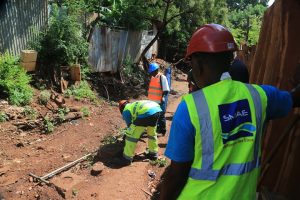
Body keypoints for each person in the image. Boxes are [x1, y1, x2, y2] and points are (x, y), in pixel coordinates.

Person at [160, 24, 300, 199]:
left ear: (198, 64)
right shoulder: (261, 96)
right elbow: (294, 98)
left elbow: (176, 175)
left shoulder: (190, 107)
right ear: (230, 59)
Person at [117, 100, 162, 166]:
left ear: (121, 108)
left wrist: (126, 137)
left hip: (146, 112)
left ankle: (127, 158)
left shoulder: (126, 110)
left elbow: (130, 127)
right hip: (156, 110)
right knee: (152, 134)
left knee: (131, 137)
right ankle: (153, 154)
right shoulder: (133, 105)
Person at [148, 62, 170, 136]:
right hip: (152, 102)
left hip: (159, 101)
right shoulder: (152, 77)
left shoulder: (162, 77)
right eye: (150, 72)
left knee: (161, 116)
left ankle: (162, 131)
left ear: (156, 70)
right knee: (154, 116)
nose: (151, 74)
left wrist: (163, 97)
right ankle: (156, 129)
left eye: (152, 72)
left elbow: (166, 90)